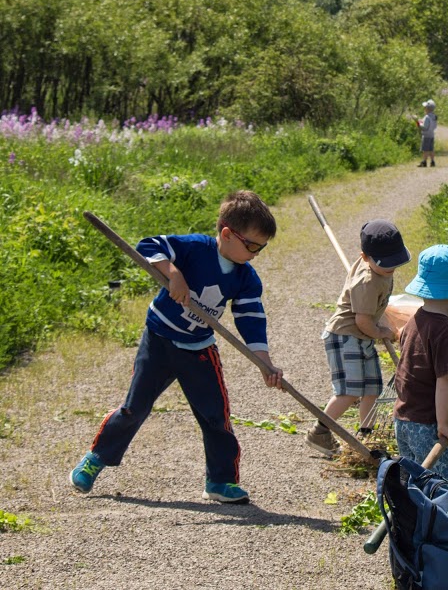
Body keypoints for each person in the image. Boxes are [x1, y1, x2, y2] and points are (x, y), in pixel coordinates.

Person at [69, 190, 284, 504]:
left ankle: (221, 481)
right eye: (252, 245)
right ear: (227, 234)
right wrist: (173, 274)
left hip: (199, 348)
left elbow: (251, 317)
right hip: (160, 340)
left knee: (216, 416)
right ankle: (97, 457)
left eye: (261, 247)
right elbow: (148, 245)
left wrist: (264, 361)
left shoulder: (245, 277)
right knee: (135, 408)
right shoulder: (194, 248)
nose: (256, 253)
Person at [305, 220, 411, 457]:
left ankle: (368, 436)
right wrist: (384, 332)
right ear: (364, 257)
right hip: (345, 336)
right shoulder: (367, 281)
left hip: (362, 336)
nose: (391, 268)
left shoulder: (378, 268)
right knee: (349, 391)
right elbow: (363, 322)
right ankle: (319, 431)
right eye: (386, 264)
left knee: (372, 388)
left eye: (396, 262)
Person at [394, 245, 448, 487]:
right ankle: (439, 525)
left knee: (412, 487)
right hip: (428, 426)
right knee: (438, 489)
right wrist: (443, 423)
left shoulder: (413, 321)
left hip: (404, 420)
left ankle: (414, 525)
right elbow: (445, 380)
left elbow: (418, 372)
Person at [417, 99, 438, 168]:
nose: (424, 108)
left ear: (427, 109)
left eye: (425, 107)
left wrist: (418, 123)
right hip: (431, 135)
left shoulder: (427, 117)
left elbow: (424, 127)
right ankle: (432, 161)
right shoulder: (434, 117)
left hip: (426, 135)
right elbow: (434, 126)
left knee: (425, 149)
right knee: (431, 149)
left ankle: (424, 162)